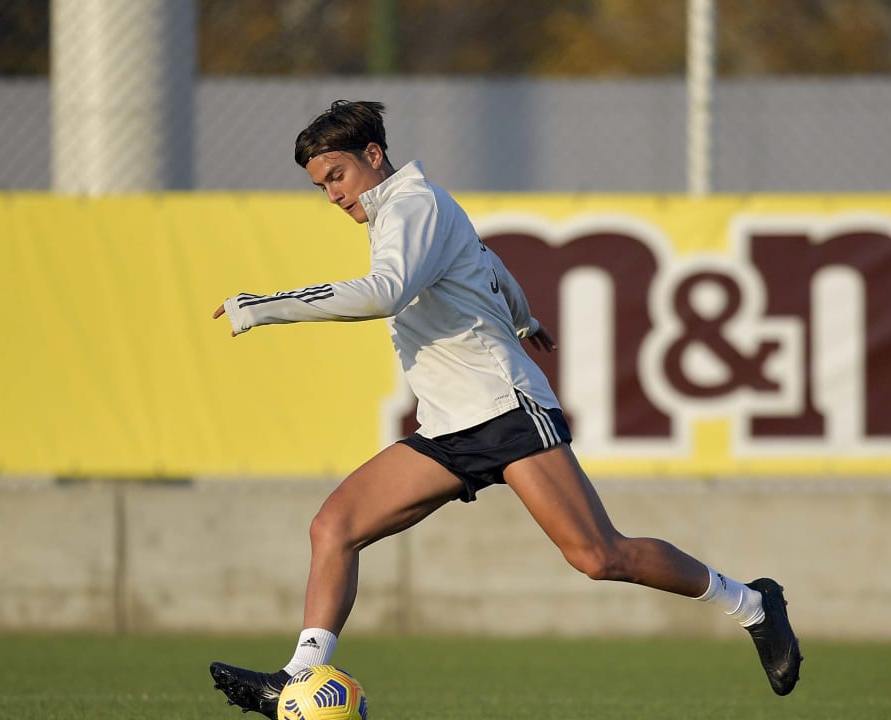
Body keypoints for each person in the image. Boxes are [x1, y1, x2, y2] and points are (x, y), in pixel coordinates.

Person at [209, 100, 802, 717]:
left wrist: (263, 306)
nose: (331, 195)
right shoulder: (403, 213)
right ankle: (300, 675)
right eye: (320, 186)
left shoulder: (414, 204)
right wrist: (525, 318)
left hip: (505, 413)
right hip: (447, 430)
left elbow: (387, 293)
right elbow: (486, 261)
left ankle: (753, 604)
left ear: (374, 156)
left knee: (600, 556)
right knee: (335, 527)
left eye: (336, 176)